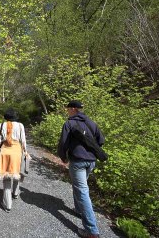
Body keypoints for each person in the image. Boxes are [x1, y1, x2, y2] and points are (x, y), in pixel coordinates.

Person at [58, 100, 104, 238]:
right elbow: (101, 140)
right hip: (91, 161)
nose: (67, 111)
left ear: (73, 109)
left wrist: (63, 156)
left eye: (68, 109)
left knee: (82, 191)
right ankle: (79, 210)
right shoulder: (91, 122)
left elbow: (63, 143)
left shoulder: (69, 123)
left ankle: (91, 231)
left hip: (78, 161)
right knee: (80, 187)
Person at [0, 108, 27, 212]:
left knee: (6, 177)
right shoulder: (20, 125)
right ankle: (16, 193)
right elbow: (23, 140)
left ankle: (8, 204)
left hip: (4, 151)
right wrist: (25, 151)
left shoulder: (1, 125)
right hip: (17, 151)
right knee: (16, 172)